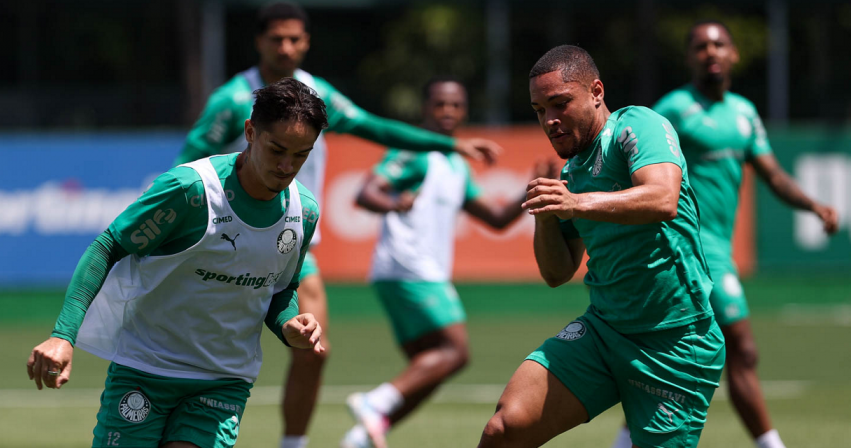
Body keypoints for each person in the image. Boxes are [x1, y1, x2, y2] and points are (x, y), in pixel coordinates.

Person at [174, 5, 502, 447]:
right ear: (260, 42)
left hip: (291, 247)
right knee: (204, 350)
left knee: (313, 346)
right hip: (225, 242)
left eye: (295, 39)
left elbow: (375, 127)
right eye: (277, 39)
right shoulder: (233, 100)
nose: (286, 47)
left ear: (307, 42)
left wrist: (450, 144)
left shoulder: (317, 96)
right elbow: (187, 164)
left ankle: (294, 444)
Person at [27, 78, 327, 448]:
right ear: (250, 132)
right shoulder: (190, 191)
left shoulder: (305, 211)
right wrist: (62, 335)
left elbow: (280, 289)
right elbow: (108, 246)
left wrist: (289, 325)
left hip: (224, 381)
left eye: (301, 155)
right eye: (277, 149)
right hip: (146, 369)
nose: (287, 166)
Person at [477, 45, 726, 448]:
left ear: (596, 91)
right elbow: (557, 273)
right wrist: (545, 215)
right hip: (603, 330)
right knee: (504, 429)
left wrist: (574, 203)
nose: (550, 121)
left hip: (675, 343)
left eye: (560, 103)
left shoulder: (636, 126)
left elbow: (662, 198)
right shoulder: (571, 171)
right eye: (540, 110)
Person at [607, 21, 840, 448]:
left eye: (718, 44)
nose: (710, 52)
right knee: (743, 349)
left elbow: (771, 174)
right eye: (700, 46)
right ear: (689, 58)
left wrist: (813, 205)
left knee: (667, 355)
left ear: (733, 54)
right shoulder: (673, 110)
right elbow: (633, 160)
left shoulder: (745, 113)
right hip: (687, 246)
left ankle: (626, 440)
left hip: (720, 247)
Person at [339, 77, 552, 448]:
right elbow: (366, 192)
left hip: (416, 271)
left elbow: (498, 218)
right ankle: (374, 402)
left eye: (455, 105)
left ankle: (363, 435)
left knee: (430, 367)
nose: (448, 112)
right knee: (456, 351)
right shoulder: (414, 152)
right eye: (440, 104)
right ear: (425, 108)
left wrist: (532, 186)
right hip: (408, 267)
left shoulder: (454, 163)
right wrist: (394, 203)